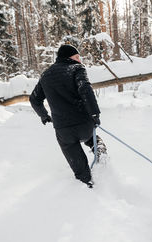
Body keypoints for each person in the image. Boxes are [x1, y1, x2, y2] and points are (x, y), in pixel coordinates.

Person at [30, 44, 107, 188]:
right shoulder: (77, 69)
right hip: (84, 123)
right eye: (77, 57)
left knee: (71, 150)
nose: (80, 60)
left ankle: (86, 183)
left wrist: (44, 116)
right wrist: (94, 113)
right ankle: (101, 154)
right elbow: (85, 88)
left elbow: (34, 99)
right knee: (92, 138)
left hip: (63, 129)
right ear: (68, 57)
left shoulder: (46, 75)